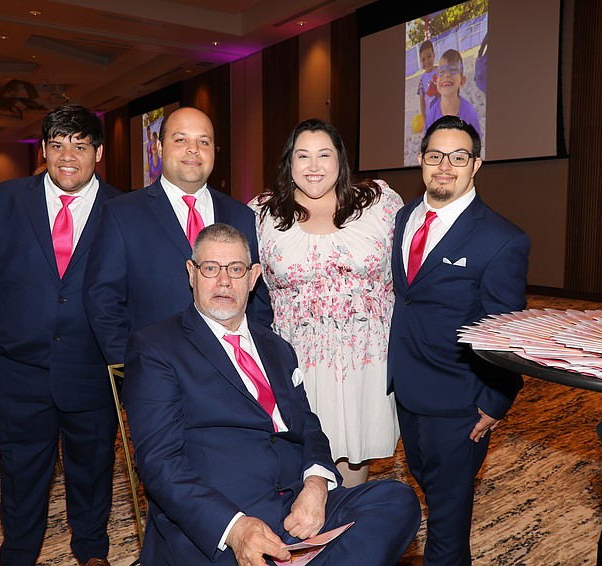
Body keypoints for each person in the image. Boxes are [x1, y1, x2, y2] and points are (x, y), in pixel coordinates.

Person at [124, 223, 422, 565]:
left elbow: (308, 426)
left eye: (235, 270)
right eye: (211, 269)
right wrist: (236, 530)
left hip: (296, 510)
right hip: (222, 520)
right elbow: (159, 463)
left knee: (396, 500)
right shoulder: (156, 346)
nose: (224, 281)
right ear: (192, 273)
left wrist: (315, 486)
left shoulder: (277, 346)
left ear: (252, 278)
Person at [0, 104, 123, 566]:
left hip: (92, 372)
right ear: (44, 150)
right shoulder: (1, 201)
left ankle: (92, 552)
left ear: (99, 152)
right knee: (21, 477)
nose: (68, 156)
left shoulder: (124, 209)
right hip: (17, 374)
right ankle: (19, 554)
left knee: (93, 473)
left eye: (81, 145)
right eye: (57, 145)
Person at [389, 115, 530, 565]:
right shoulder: (403, 217)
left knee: (448, 523)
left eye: (458, 157)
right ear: (421, 160)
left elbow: (505, 328)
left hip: (458, 403)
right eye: (435, 156)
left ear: (477, 164)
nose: (445, 166)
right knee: (427, 484)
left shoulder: (501, 239)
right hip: (407, 390)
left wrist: (495, 400)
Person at [249, 118, 402, 487]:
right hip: (298, 361)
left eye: (324, 155)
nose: (314, 166)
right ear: (289, 162)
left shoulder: (380, 204)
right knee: (302, 464)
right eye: (303, 156)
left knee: (354, 460)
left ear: (340, 160)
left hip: (366, 360)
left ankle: (348, 538)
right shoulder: (262, 214)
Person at [83, 106, 272, 365]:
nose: (193, 149)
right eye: (181, 139)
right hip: (156, 373)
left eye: (203, 141)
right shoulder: (122, 213)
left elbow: (257, 300)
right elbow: (103, 301)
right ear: (159, 148)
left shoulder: (240, 215)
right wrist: (131, 367)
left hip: (232, 375)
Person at [423, 49, 482, 141]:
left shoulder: (470, 113)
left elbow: (476, 143)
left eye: (453, 69)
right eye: (441, 71)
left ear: (462, 81)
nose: (446, 74)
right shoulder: (432, 115)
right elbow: (427, 145)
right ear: (436, 81)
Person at [416, 39, 439, 124]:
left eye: (429, 56)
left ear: (434, 55)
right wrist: (424, 117)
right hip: (431, 117)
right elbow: (422, 99)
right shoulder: (422, 80)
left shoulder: (441, 71)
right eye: (423, 59)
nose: (426, 61)